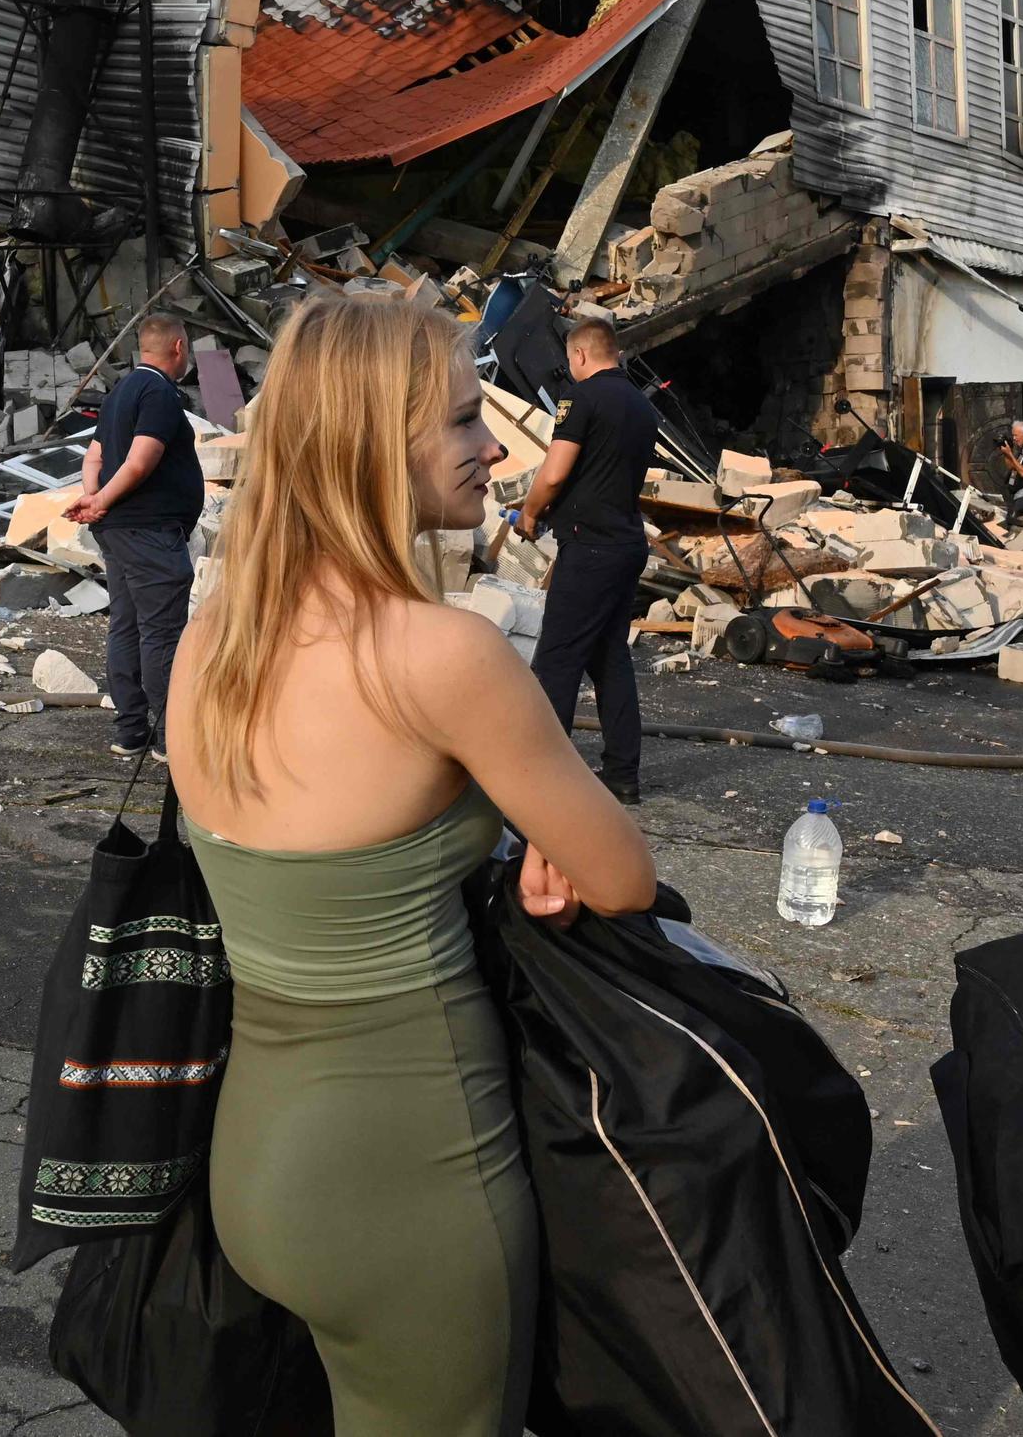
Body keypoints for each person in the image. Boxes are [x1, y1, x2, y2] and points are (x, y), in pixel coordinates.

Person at [165, 293, 656, 1437]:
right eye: (461, 421)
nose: (493, 447)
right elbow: (621, 877)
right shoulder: (443, 656)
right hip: (413, 1172)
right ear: (371, 446)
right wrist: (527, 833)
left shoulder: (209, 641)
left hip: (258, 1164)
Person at [514, 317, 663, 804]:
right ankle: (622, 775)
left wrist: (530, 514)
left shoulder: (580, 400)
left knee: (557, 660)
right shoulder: (643, 407)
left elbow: (555, 474)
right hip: (626, 544)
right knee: (609, 657)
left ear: (579, 355)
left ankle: (545, 781)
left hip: (590, 546)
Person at [67, 315, 203, 763]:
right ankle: (169, 740)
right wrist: (101, 498)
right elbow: (142, 461)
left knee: (126, 626)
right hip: (149, 532)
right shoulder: (160, 392)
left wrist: (93, 499)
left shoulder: (119, 392)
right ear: (178, 347)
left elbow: (94, 456)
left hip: (119, 532)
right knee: (162, 633)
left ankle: (130, 732)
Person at [982, 416, 1023, 518]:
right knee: (1017, 518)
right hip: (1017, 492)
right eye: (1013, 435)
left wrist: (1010, 455)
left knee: (1015, 519)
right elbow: (1011, 466)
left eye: (1016, 435)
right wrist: (1007, 453)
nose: (1014, 438)